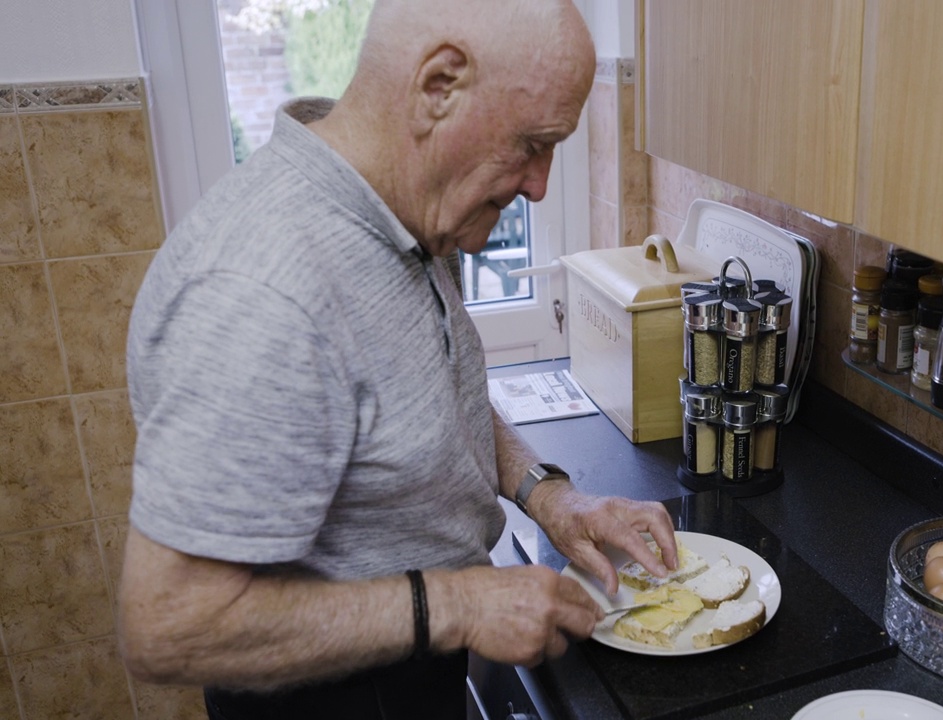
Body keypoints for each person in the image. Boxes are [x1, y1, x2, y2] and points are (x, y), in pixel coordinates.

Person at [117, 1, 678, 717]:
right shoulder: (262, 291)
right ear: (438, 85)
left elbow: (431, 400)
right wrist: (462, 604)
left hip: (413, 659)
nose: (540, 185)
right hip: (331, 696)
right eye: (534, 143)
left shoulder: (403, 213)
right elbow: (168, 625)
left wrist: (551, 497)